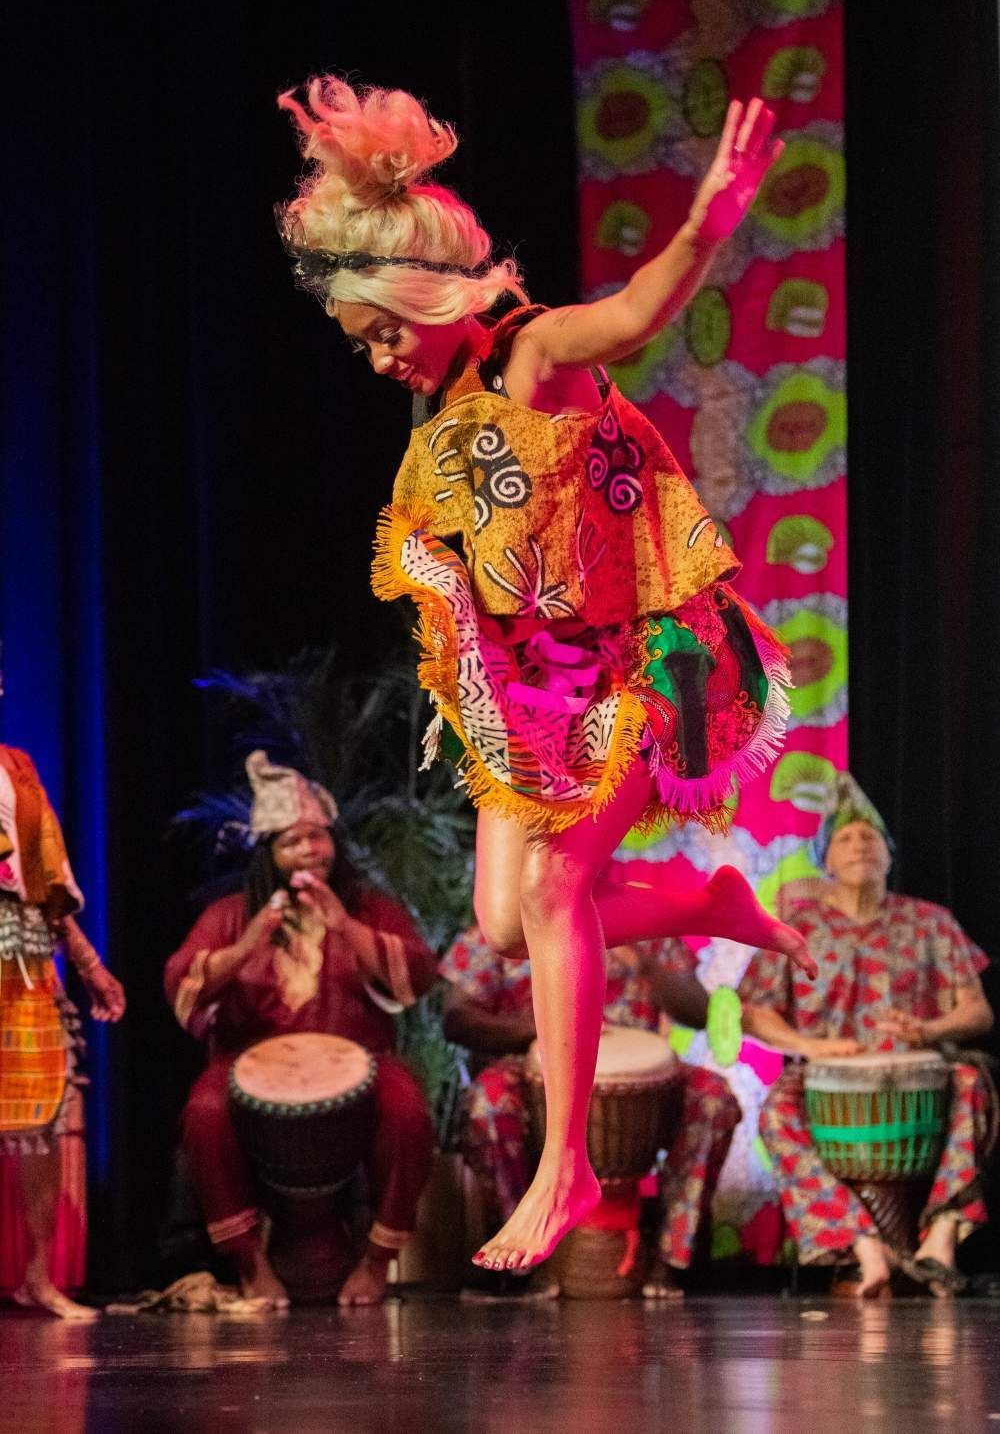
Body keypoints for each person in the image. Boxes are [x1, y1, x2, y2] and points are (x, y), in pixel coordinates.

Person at [276, 76, 816, 1273]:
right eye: (358, 343)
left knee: (562, 880)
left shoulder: (526, 354)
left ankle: (568, 1166)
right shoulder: (451, 412)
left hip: (650, 660)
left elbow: (624, 316)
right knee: (502, 924)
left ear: (428, 296)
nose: (375, 361)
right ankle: (708, 904)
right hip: (539, 692)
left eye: (381, 333)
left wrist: (704, 225)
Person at [164, 751, 437, 1307]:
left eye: (318, 836)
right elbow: (182, 985)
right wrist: (247, 946)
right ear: (270, 855)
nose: (309, 850)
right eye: (292, 841)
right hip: (250, 1066)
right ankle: (252, 1267)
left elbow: (418, 974)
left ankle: (376, 1265)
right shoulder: (232, 915)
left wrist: (345, 925)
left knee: (407, 1109)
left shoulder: (367, 907)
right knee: (204, 1112)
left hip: (361, 1061)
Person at [740, 773, 995, 1297]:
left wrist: (930, 1030)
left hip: (923, 1070)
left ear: (889, 855)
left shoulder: (931, 922)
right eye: (845, 838)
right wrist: (811, 1047)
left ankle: (941, 1239)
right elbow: (753, 1013)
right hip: (824, 1078)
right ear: (824, 859)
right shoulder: (794, 926)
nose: (859, 845)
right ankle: (862, 1247)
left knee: (972, 1081)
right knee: (774, 1113)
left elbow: (978, 1013)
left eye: (870, 838)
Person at [441, 917, 740, 1296]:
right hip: (537, 1067)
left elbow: (699, 1012)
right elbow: (456, 1019)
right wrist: (541, 1029)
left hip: (642, 1078)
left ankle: (670, 1257)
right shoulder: (502, 924)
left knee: (712, 1098)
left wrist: (647, 962)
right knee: (489, 1103)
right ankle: (525, 1258)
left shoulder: (643, 917)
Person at [0, 743, 125, 1319]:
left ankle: (39, 1278)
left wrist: (89, 963)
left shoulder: (18, 769)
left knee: (41, 1111)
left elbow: (46, 879)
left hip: (22, 950)